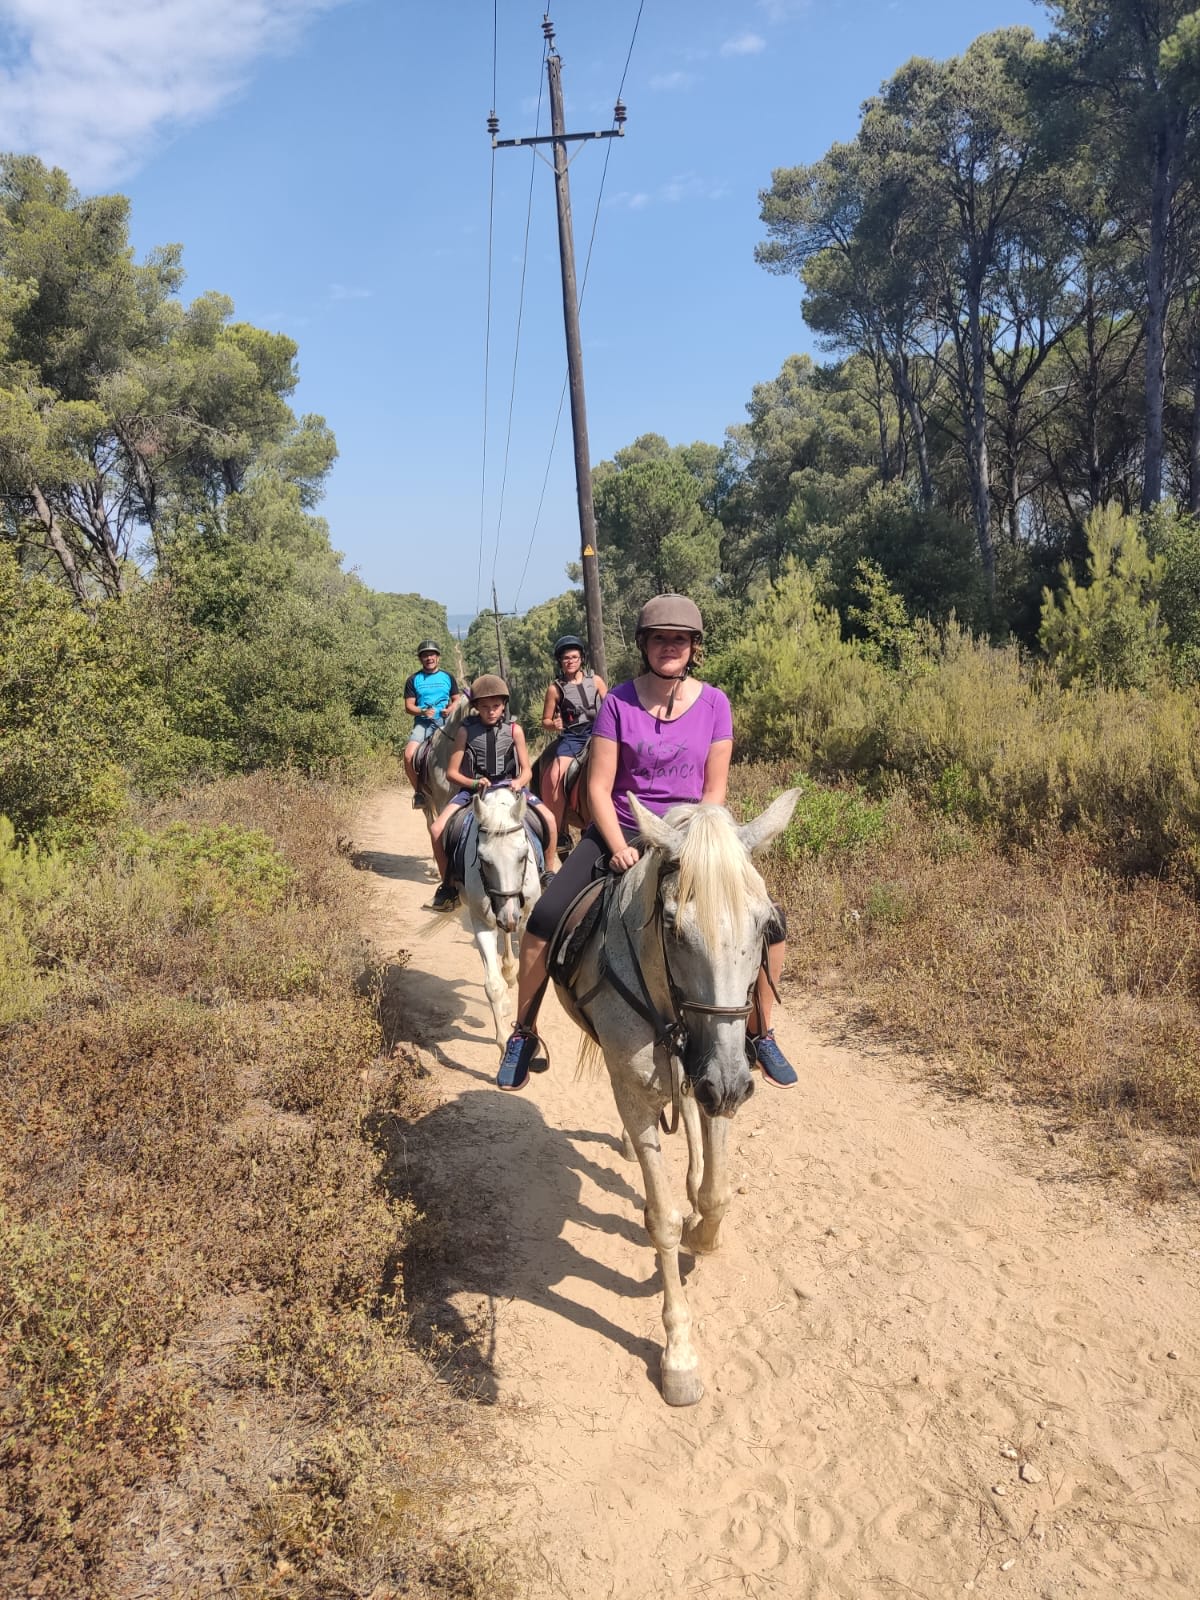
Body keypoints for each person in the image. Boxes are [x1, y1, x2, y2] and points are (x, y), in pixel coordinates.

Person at [495, 594, 797, 1092]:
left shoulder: (716, 704)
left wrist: (699, 843)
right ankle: (523, 1032)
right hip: (621, 831)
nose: (669, 647)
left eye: (679, 639)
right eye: (660, 638)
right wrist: (615, 845)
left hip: (694, 836)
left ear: (694, 647)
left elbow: (714, 790)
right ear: (644, 644)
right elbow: (597, 786)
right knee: (544, 920)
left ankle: (760, 1030)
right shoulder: (617, 702)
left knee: (770, 924)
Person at [428, 674, 559, 911]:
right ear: (476, 707)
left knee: (549, 819)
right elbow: (451, 773)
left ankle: (548, 873)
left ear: (504, 706)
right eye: (485, 707)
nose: (491, 711)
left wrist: (519, 781)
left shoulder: (514, 730)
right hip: (473, 792)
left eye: (496, 706)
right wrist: (473, 781)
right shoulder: (465, 731)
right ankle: (448, 886)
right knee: (437, 829)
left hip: (510, 787)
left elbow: (528, 770)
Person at [539, 635, 608, 835]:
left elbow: (611, 706)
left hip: (600, 733)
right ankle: (559, 829)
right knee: (554, 775)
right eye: (566, 658)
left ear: (581, 659)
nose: (570, 661)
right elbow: (545, 721)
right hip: (573, 737)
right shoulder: (555, 689)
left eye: (574, 657)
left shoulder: (596, 681)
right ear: (560, 662)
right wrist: (554, 724)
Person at [403, 641, 462, 807]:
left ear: (438, 657)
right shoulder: (413, 679)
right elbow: (409, 706)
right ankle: (419, 792)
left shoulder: (448, 677)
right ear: (421, 659)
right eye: (425, 655)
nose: (429, 658)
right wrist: (422, 711)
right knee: (408, 756)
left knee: (469, 748)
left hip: (446, 722)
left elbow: (457, 699)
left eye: (432, 654)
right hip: (423, 724)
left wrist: (450, 709)